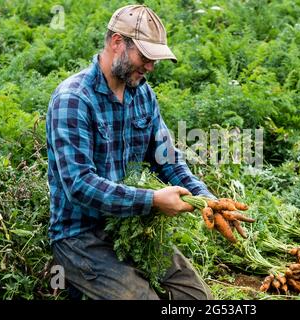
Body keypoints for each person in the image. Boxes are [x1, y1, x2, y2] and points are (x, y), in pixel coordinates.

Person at [46, 4, 214, 300]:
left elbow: (167, 159)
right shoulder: (73, 99)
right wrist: (152, 200)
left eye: (154, 60)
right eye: (145, 57)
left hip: (131, 228)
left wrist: (207, 199)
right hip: (81, 237)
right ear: (116, 43)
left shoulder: (142, 94)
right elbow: (79, 185)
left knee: (198, 299)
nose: (150, 66)